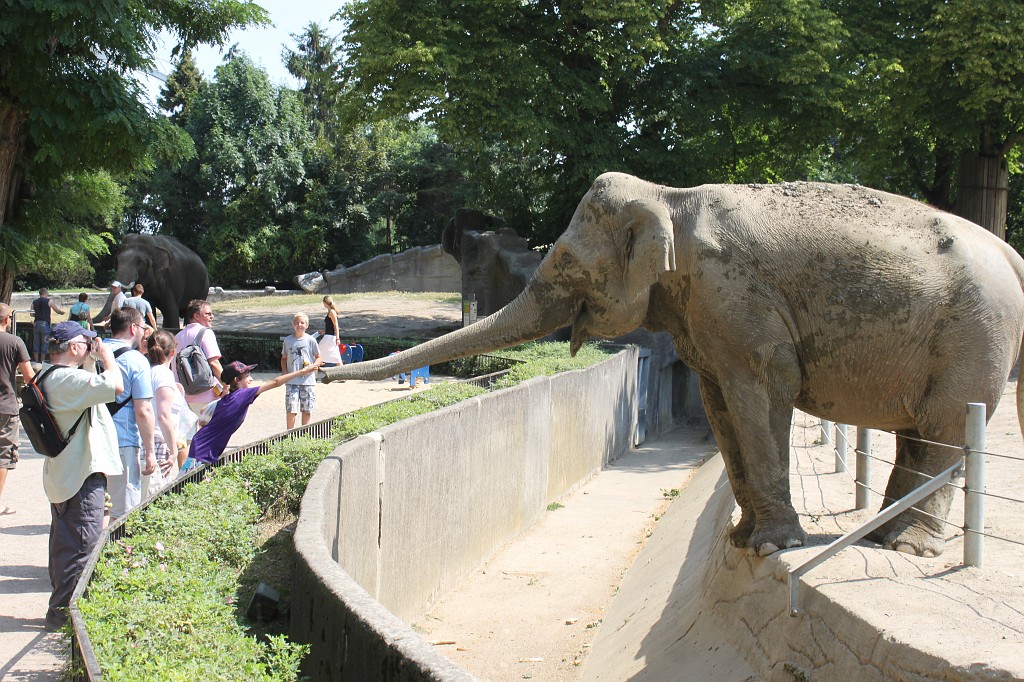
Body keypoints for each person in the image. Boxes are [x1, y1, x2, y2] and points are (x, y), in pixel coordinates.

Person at [41, 321, 124, 630]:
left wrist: (91, 359)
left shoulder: (51, 376)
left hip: (66, 474)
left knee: (66, 544)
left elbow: (89, 386)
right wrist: (106, 356)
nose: (92, 345)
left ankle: (62, 611)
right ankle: (65, 616)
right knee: (81, 548)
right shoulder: (66, 380)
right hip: (80, 477)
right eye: (86, 342)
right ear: (73, 348)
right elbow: (115, 386)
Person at [183, 358, 321, 471]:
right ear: (237, 380)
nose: (251, 379)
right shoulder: (242, 395)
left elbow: (203, 411)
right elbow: (275, 382)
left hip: (201, 446)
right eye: (247, 376)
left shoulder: (229, 398)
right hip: (203, 451)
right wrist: (303, 371)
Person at [102, 307, 156, 519]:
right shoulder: (136, 361)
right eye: (143, 327)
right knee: (122, 512)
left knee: (95, 507)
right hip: (122, 439)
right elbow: (143, 410)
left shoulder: (92, 352)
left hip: (90, 438)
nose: (144, 333)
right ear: (133, 328)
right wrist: (150, 451)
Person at [143, 330, 191, 497]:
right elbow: (164, 415)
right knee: (154, 495)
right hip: (159, 440)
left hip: (149, 438)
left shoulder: (147, 371)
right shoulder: (163, 374)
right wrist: (173, 450)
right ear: (172, 352)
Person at [0, 303, 34, 516]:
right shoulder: (14, 342)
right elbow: (29, 375)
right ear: (5, 320)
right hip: (5, 404)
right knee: (3, 456)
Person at [174, 299, 223, 416]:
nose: (212, 316)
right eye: (207, 314)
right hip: (207, 394)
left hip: (184, 395)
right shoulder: (206, 333)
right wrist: (227, 383)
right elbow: (214, 363)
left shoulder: (177, 336)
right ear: (196, 316)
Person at [281, 312, 321, 429]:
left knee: (307, 409)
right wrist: (284, 372)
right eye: (297, 323)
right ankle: (290, 434)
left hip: (308, 380)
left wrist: (314, 366)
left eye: (302, 323)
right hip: (292, 380)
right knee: (291, 409)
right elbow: (283, 358)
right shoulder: (288, 340)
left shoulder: (311, 340)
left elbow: (319, 357)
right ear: (293, 325)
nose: (300, 325)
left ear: (307, 325)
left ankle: (305, 435)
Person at [30, 287, 66, 362]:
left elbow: (31, 314)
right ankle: (42, 361)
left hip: (36, 323)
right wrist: (61, 312)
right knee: (45, 343)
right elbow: (56, 310)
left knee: (36, 343)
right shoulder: (49, 301)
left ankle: (36, 361)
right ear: (46, 293)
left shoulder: (34, 302)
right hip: (45, 324)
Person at [317, 295, 343, 368]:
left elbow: (336, 325)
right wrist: (324, 332)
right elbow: (331, 327)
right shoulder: (330, 311)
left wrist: (337, 338)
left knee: (318, 352)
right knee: (337, 358)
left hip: (330, 337)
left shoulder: (331, 312)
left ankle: (315, 374)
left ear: (325, 303)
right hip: (329, 336)